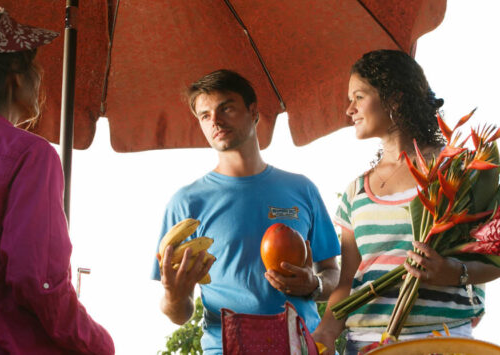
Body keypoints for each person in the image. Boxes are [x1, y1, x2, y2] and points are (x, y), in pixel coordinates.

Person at [0, 2, 114, 354]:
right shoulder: (31, 154)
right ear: (15, 73)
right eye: (36, 65)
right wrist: (98, 342)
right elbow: (37, 282)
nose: (41, 77)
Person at [312, 49, 500, 355]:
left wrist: (451, 271)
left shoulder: (458, 170)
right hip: (367, 344)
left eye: (358, 97)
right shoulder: (355, 192)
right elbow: (347, 282)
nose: (349, 109)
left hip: (442, 342)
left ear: (394, 98)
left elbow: (494, 259)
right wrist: (324, 332)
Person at [150, 69, 341, 354]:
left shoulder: (302, 189)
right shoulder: (186, 204)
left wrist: (313, 284)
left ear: (253, 112)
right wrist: (173, 296)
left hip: (302, 346)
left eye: (226, 107)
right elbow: (179, 314)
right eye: (204, 115)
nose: (215, 120)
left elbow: (333, 274)